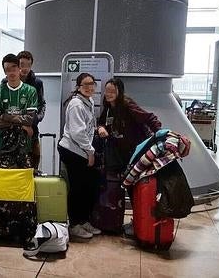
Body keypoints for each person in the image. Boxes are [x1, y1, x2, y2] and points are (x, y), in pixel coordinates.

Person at [58, 73, 101, 239]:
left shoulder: (88, 101)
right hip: (73, 150)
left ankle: (83, 220)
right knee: (78, 188)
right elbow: (77, 132)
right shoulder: (76, 104)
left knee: (88, 187)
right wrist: (90, 151)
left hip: (82, 150)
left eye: (92, 84)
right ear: (78, 87)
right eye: (85, 84)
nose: (90, 87)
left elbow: (88, 127)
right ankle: (75, 224)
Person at [97, 78, 162, 167]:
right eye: (107, 91)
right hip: (119, 151)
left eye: (112, 91)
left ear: (119, 92)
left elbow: (149, 118)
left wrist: (160, 134)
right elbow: (101, 122)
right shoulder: (108, 107)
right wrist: (101, 128)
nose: (108, 94)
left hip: (135, 150)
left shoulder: (127, 105)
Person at [0, 54, 38, 154]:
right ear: (4, 72)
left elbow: (29, 120)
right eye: (8, 69)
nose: (11, 72)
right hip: (3, 146)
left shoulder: (31, 91)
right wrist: (21, 126)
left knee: (25, 169)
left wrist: (5, 116)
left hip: (24, 146)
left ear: (19, 68)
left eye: (14, 68)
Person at [17, 51, 46, 169]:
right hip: (14, 131)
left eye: (28, 65)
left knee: (35, 160)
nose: (25, 68)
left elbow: (42, 104)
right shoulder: (8, 82)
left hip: (32, 130)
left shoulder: (37, 83)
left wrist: (36, 119)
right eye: (22, 64)